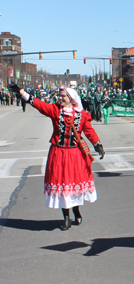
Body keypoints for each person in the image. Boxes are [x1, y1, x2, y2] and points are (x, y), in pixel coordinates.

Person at [8, 83, 105, 231]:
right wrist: (23, 93)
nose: (60, 98)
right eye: (59, 95)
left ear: (71, 98)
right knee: (62, 185)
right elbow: (39, 104)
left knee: (74, 185)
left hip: (75, 154)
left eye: (63, 96)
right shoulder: (54, 110)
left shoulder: (81, 114)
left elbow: (88, 130)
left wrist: (97, 144)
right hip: (58, 153)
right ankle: (66, 217)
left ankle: (76, 210)